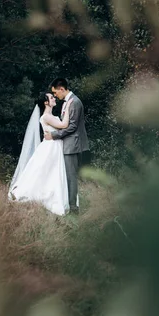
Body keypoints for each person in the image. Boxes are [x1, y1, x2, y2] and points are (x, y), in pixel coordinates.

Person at [9, 92, 74, 216]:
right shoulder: (46, 117)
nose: (54, 98)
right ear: (46, 103)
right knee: (44, 171)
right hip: (51, 147)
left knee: (49, 172)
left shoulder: (51, 116)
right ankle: (28, 194)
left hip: (54, 146)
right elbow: (64, 125)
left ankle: (48, 195)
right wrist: (68, 107)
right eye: (51, 98)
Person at [44, 78, 90, 215]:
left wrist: (54, 135)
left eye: (55, 93)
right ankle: (69, 205)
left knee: (71, 177)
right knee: (67, 176)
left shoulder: (75, 102)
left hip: (73, 145)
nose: (56, 96)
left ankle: (73, 209)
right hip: (68, 144)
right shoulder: (68, 102)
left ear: (62, 89)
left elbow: (72, 127)